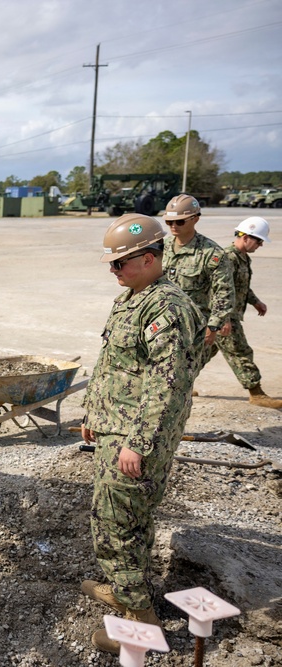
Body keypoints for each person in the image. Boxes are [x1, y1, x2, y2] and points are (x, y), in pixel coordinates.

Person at [80, 213, 204, 655]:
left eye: (119, 264)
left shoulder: (165, 307)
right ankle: (125, 587)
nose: (113, 271)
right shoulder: (135, 296)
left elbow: (166, 384)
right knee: (127, 519)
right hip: (117, 427)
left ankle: (140, 621)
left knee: (117, 525)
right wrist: (94, 410)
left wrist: (138, 442)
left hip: (136, 436)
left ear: (149, 259)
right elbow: (116, 362)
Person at [200, 217, 282, 409]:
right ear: (246, 237)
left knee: (201, 353)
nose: (260, 245)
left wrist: (255, 302)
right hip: (224, 316)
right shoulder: (228, 258)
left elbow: (239, 286)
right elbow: (217, 290)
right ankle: (256, 393)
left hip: (229, 314)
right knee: (240, 352)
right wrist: (223, 319)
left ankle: (180, 383)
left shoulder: (242, 257)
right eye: (259, 241)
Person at [160, 194, 235, 373]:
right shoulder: (162, 246)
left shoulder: (212, 253)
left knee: (183, 374)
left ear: (195, 219)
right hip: (162, 322)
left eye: (179, 222)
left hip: (193, 328)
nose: (173, 226)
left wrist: (214, 325)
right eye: (169, 222)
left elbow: (224, 292)